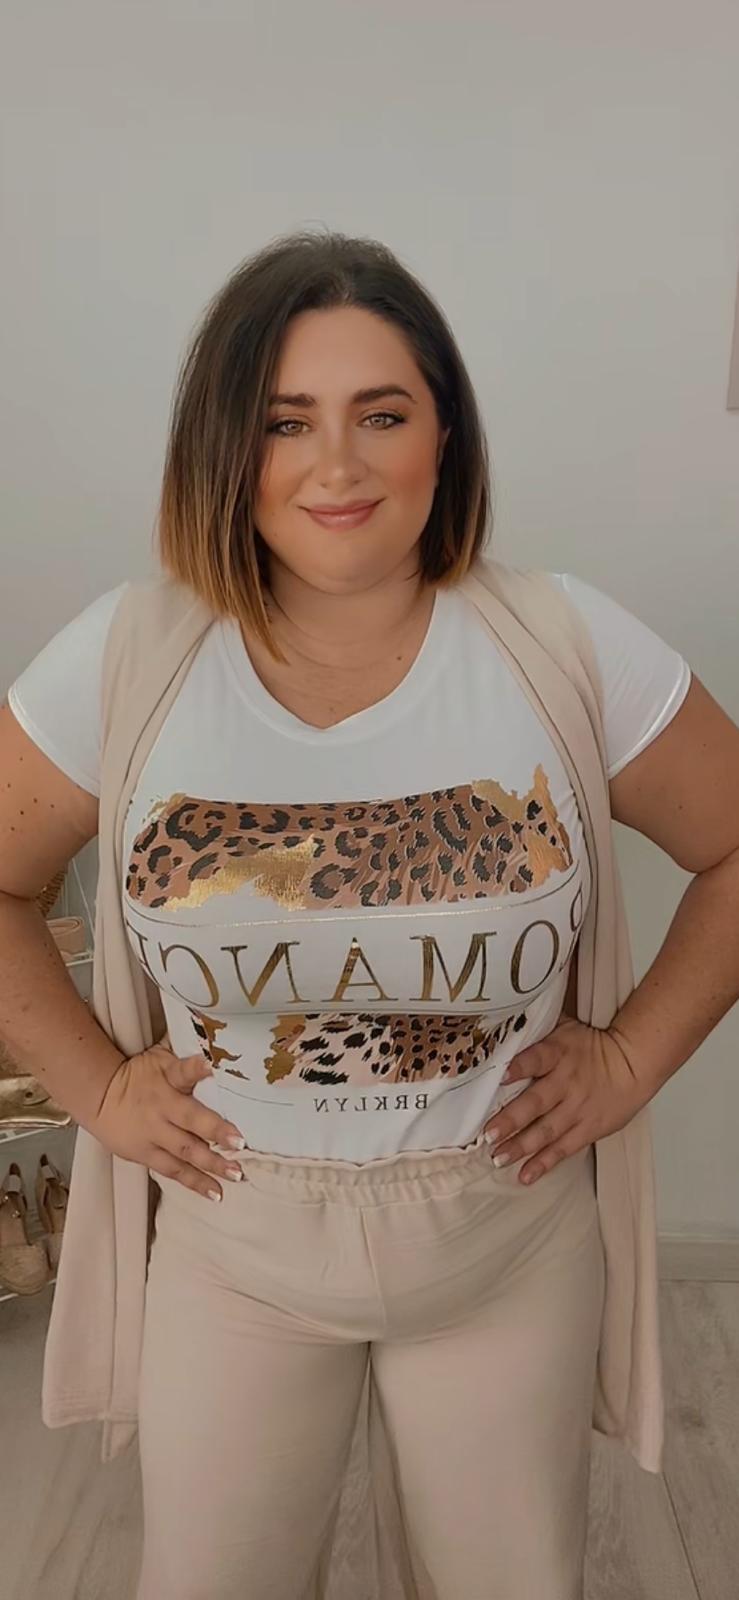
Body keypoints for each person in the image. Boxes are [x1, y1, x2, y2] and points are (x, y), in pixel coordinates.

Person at [2, 229, 739, 1600]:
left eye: (380, 414)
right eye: (285, 421)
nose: (335, 465)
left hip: (504, 1241)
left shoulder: (563, 646)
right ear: (225, 447)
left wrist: (633, 1059)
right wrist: (96, 1089)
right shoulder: (125, 660)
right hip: (233, 1248)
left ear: (443, 433)